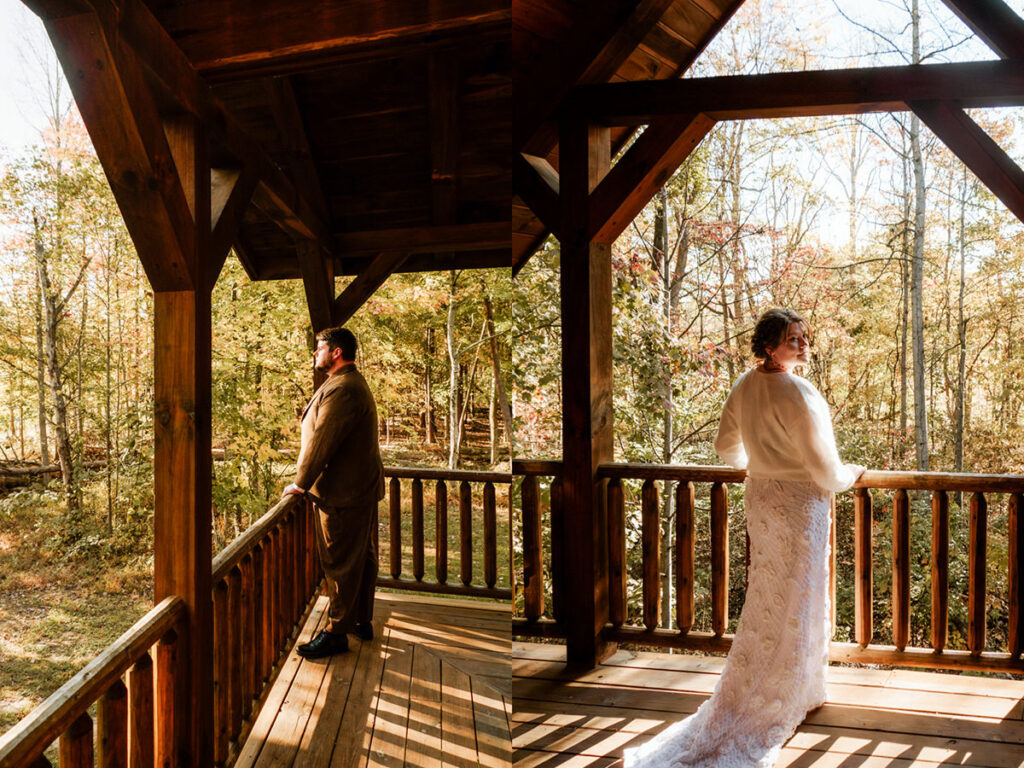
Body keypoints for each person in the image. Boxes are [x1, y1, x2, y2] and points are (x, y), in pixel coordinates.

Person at [624, 308, 864, 768]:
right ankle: (793, 690)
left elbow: (726, 448)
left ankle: (794, 686)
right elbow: (824, 469)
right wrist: (851, 474)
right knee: (800, 593)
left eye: (805, 338)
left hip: (762, 498)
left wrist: (761, 462)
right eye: (794, 339)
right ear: (770, 345)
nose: (804, 345)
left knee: (769, 593)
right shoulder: (798, 391)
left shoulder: (745, 384)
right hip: (800, 503)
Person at [282, 326, 385, 658]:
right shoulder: (346, 383)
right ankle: (360, 619)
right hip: (356, 489)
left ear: (336, 352)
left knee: (340, 561)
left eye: (319, 347)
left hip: (343, 493)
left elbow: (323, 440)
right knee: (361, 557)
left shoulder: (344, 389)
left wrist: (300, 482)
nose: (315, 353)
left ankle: (337, 631)